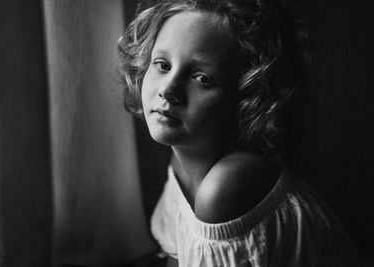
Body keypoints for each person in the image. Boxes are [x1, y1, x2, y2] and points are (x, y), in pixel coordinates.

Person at [118, 0, 359, 266]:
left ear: (247, 96)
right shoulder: (183, 159)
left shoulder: (228, 184)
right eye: (163, 65)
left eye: (202, 78)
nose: (169, 89)